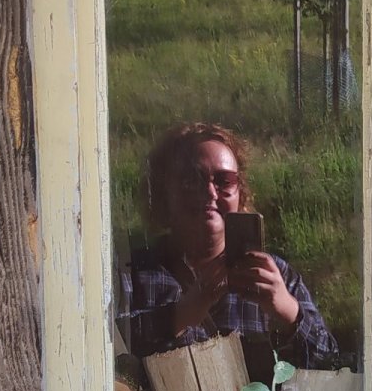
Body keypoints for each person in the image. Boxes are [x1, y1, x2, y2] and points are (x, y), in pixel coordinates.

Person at [117, 121, 339, 374]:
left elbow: (330, 366)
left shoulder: (275, 274)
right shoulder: (134, 275)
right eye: (192, 179)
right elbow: (109, 357)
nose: (209, 192)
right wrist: (180, 315)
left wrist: (289, 312)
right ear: (163, 193)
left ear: (240, 194)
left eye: (224, 180)